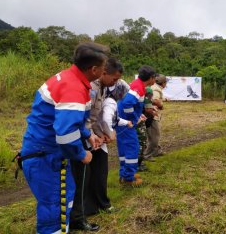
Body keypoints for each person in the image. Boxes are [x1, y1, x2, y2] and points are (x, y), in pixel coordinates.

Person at [19, 42, 109, 234]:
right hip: (46, 156)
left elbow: (71, 121)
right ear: (93, 69)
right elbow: (65, 135)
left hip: (47, 153)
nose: (104, 70)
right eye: (103, 67)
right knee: (55, 206)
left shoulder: (71, 79)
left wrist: (87, 135)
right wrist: (81, 154)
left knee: (63, 198)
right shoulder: (73, 88)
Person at [69, 58, 124, 230]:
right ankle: (78, 215)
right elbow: (82, 118)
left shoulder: (102, 88)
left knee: (100, 171)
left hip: (93, 136)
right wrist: (92, 135)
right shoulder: (90, 87)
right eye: (114, 79)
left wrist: (100, 135)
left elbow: (95, 117)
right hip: (81, 137)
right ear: (103, 72)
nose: (115, 83)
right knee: (83, 177)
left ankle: (100, 204)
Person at [116, 65, 157, 186]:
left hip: (121, 121)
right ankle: (129, 178)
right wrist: (134, 118)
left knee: (124, 148)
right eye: (154, 78)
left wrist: (138, 115)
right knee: (133, 148)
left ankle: (124, 174)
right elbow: (128, 103)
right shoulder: (138, 87)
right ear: (150, 78)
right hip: (126, 124)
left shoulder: (137, 84)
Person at [144, 74, 167, 160]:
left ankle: (157, 151)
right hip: (152, 116)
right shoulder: (156, 89)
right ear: (163, 83)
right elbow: (155, 100)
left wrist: (164, 99)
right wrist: (161, 105)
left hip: (149, 114)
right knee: (155, 137)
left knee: (153, 135)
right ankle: (147, 155)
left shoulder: (154, 87)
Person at [137, 87, 157, 171]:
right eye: (150, 94)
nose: (150, 96)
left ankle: (137, 163)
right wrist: (153, 112)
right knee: (142, 142)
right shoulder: (146, 99)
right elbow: (148, 110)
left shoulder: (138, 98)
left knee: (139, 142)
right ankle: (139, 164)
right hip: (140, 122)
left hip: (137, 121)